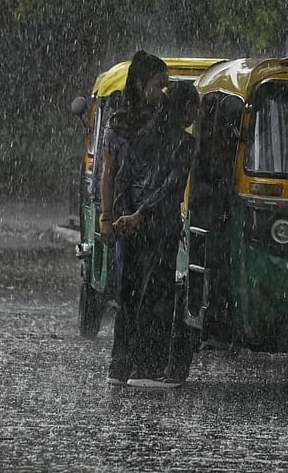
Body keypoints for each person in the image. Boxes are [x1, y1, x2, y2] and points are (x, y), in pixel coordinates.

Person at [114, 81, 199, 389]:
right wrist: (143, 214)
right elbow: (171, 186)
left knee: (130, 295)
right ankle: (147, 365)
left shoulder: (143, 135)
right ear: (185, 109)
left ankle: (121, 364)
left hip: (133, 226)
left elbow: (124, 176)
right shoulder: (185, 144)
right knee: (158, 297)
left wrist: (127, 213)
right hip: (159, 226)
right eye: (193, 108)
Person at [99, 50, 168, 386]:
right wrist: (106, 217)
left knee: (156, 294)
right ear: (142, 85)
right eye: (159, 85)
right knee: (128, 293)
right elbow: (108, 174)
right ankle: (122, 363)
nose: (163, 92)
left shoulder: (165, 122)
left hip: (155, 215)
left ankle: (148, 363)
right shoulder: (119, 125)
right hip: (128, 221)